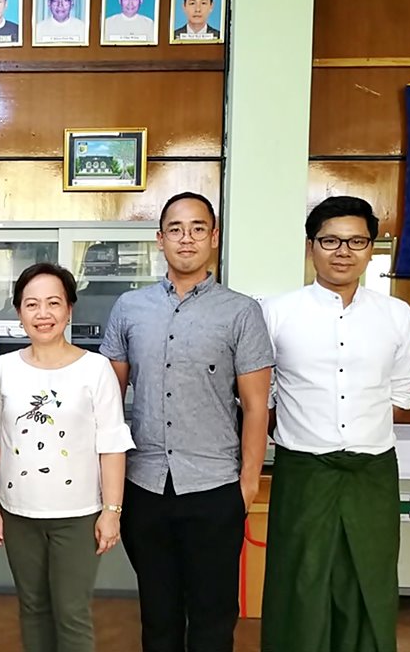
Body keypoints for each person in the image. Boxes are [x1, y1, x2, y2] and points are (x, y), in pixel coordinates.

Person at [101, 191, 274, 652]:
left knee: (213, 615)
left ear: (213, 238)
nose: (187, 238)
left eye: (198, 228)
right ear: (160, 239)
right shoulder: (129, 308)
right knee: (158, 614)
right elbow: (107, 401)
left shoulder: (241, 311)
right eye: (176, 229)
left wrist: (248, 484)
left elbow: (257, 406)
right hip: (145, 485)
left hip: (215, 487)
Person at [260, 196, 410, 652]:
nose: (343, 251)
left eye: (356, 241)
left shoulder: (397, 315)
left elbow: (400, 389)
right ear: (310, 246)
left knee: (368, 575)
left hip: (372, 470)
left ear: (371, 248)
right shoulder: (278, 313)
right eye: (330, 240)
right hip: (304, 469)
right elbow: (263, 392)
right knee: (301, 579)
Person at [0, 263, 134, 652]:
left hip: (78, 515)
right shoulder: (4, 369)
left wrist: (112, 511)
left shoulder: (95, 369)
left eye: (53, 303)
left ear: (69, 310)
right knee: (32, 608)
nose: (43, 313)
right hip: (19, 513)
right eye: (32, 304)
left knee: (72, 612)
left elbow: (112, 443)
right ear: (18, 312)